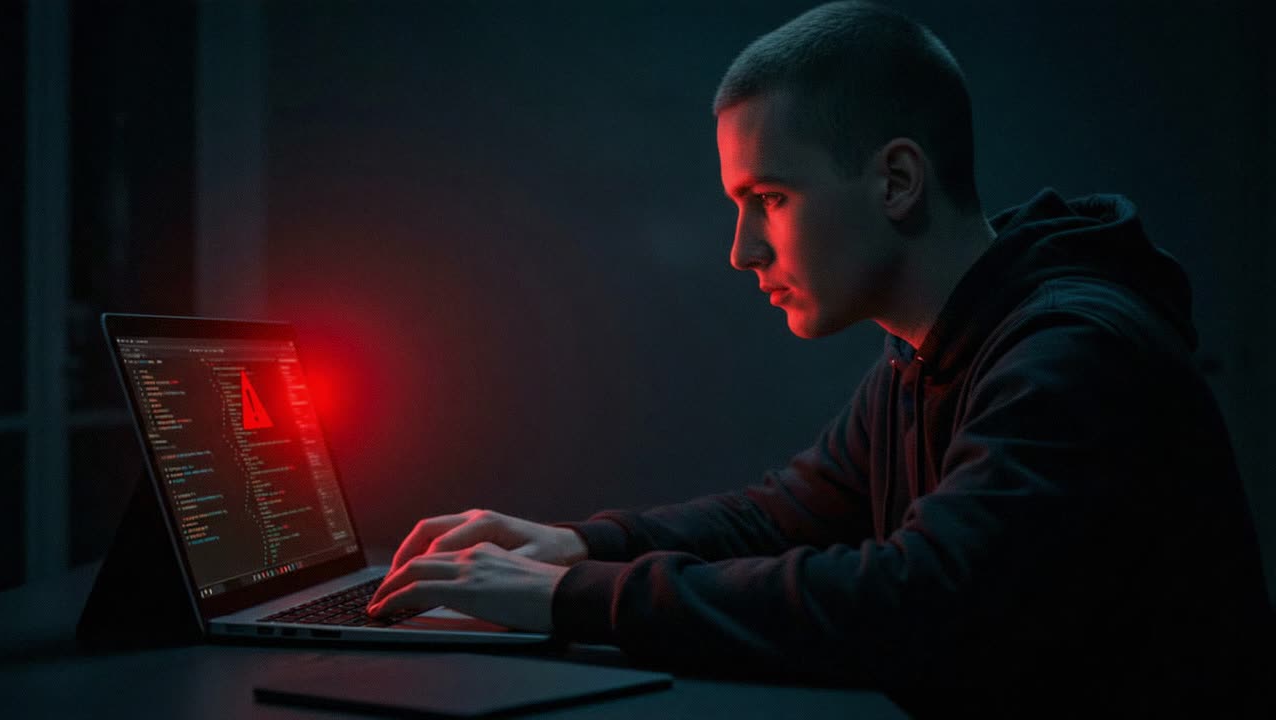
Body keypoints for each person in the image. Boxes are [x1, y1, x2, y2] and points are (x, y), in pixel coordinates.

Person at [367, 1, 1273, 712]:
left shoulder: (1074, 355)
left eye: (769, 198)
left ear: (896, 180)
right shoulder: (932, 352)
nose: (742, 249)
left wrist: (573, 596)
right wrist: (578, 544)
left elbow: (913, 605)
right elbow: (782, 517)